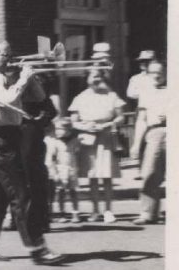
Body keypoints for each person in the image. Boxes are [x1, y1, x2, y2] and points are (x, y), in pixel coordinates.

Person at [0, 40, 65, 265]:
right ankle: (37, 248)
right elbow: (6, 101)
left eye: (10, 54)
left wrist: (30, 77)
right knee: (21, 195)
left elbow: (37, 99)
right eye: (5, 55)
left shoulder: (7, 76)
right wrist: (23, 78)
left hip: (10, 137)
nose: (10, 59)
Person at [69, 68, 125, 223]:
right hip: (88, 138)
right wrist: (86, 127)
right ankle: (94, 211)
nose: (96, 79)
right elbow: (73, 121)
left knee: (107, 176)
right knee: (92, 176)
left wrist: (110, 123)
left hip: (106, 138)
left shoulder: (111, 95)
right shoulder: (80, 98)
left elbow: (121, 117)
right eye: (93, 76)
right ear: (87, 78)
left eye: (99, 76)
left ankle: (108, 210)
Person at [19, 74, 57, 233]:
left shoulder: (40, 95)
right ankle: (21, 220)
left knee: (36, 182)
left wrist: (40, 119)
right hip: (20, 139)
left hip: (34, 140)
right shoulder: (17, 93)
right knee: (22, 182)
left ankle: (42, 221)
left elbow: (51, 112)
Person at [133, 60, 166, 225]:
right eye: (153, 72)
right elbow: (141, 119)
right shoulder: (145, 93)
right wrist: (136, 143)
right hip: (154, 132)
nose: (157, 75)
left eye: (160, 72)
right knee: (150, 173)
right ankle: (148, 213)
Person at [45, 118, 80, 223]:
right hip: (60, 170)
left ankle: (75, 213)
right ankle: (61, 213)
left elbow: (77, 155)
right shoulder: (55, 142)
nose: (57, 131)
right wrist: (54, 172)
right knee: (60, 191)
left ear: (69, 129)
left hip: (72, 169)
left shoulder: (74, 141)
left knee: (73, 191)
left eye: (60, 129)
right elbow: (52, 158)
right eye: (57, 129)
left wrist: (77, 168)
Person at [127, 50, 156, 164]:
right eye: (142, 61)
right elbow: (131, 93)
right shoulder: (136, 78)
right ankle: (141, 166)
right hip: (142, 109)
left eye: (146, 61)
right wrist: (145, 92)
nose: (143, 63)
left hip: (157, 109)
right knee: (141, 137)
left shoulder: (158, 75)